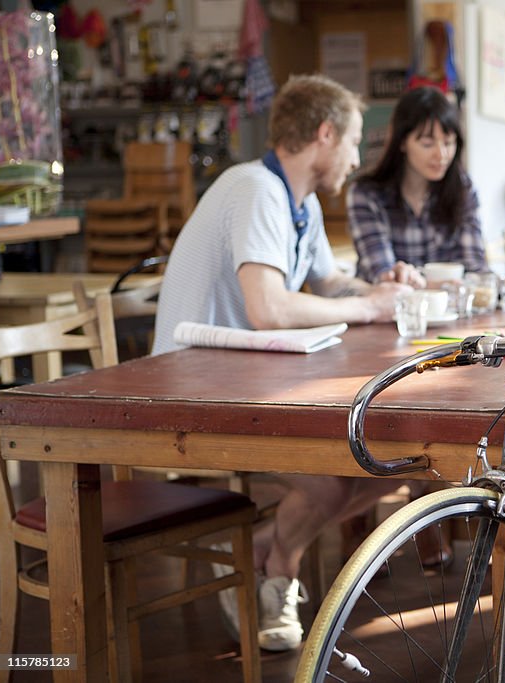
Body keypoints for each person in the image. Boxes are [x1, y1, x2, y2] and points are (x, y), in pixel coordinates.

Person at [152, 74, 408, 652]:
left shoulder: (300, 202)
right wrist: (368, 306)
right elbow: (267, 308)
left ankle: (263, 554)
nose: (353, 156)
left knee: (397, 463)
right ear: (325, 134)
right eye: (353, 141)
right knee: (332, 476)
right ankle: (273, 568)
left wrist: (379, 288)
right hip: (184, 391)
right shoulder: (255, 189)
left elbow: (329, 281)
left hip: (241, 383)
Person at [348, 86, 486, 287]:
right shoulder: (366, 194)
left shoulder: (462, 188)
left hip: (451, 312)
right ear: (402, 142)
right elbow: (382, 275)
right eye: (427, 144)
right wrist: (446, 285)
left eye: (448, 143)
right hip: (389, 312)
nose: (441, 155)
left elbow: (475, 268)